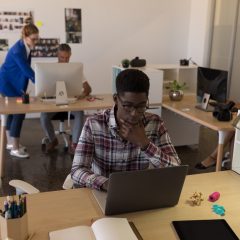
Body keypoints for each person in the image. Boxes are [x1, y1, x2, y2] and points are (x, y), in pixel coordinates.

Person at [71, 69, 181, 191]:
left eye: (141, 106)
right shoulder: (94, 124)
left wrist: (145, 144)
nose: (134, 113)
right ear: (115, 99)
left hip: (140, 192)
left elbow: (176, 169)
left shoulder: (155, 123)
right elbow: (77, 170)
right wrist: (108, 184)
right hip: (104, 191)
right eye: (127, 106)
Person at [40, 43, 91, 153]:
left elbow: (88, 88)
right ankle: (53, 140)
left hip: (71, 102)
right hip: (54, 102)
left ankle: (75, 143)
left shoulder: (75, 70)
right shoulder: (50, 69)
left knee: (79, 113)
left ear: (70, 55)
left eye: (67, 57)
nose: (64, 60)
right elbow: (42, 88)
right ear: (57, 55)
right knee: (43, 115)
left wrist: (82, 94)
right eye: (62, 57)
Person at [0, 24, 39, 158]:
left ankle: (11, 143)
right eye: (33, 39)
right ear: (25, 36)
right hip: (7, 83)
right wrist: (40, 83)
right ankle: (15, 148)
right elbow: (26, 70)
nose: (36, 42)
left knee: (13, 113)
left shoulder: (26, 47)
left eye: (37, 39)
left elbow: (24, 70)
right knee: (19, 112)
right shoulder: (18, 50)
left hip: (14, 82)